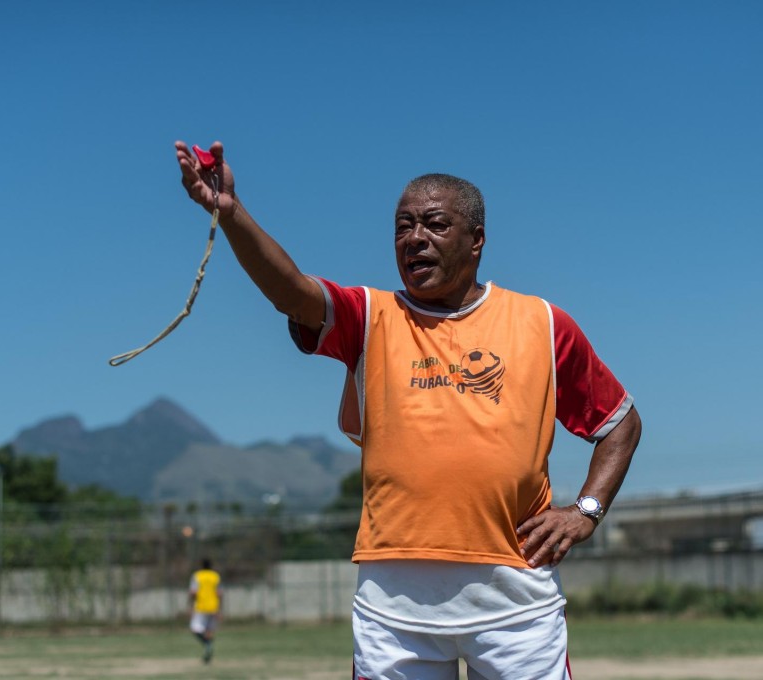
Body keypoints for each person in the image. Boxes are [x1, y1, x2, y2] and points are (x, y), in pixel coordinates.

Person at [176, 141, 642, 680]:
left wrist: (585, 511)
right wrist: (231, 215)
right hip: (393, 605)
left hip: (516, 599)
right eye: (403, 226)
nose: (414, 238)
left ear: (477, 241)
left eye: (435, 224)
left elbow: (620, 423)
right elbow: (292, 291)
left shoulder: (542, 323)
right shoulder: (369, 316)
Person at [188, 557, 222, 664]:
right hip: (213, 607)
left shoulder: (197, 576)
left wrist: (190, 605)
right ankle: (207, 652)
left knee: (194, 629)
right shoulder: (215, 577)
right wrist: (219, 609)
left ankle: (207, 645)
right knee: (209, 632)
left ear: (201, 565)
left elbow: (193, 592)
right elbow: (219, 593)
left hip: (201, 607)